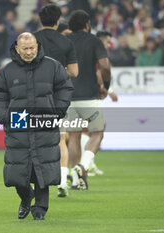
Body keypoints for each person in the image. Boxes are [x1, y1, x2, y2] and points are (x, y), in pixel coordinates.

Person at [0, 32, 73, 220]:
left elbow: (65, 88)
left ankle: (40, 209)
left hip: (45, 120)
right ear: (17, 49)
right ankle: (26, 196)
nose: (29, 52)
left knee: (43, 167)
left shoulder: (53, 66)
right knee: (17, 170)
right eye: (25, 49)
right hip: (18, 123)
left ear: (38, 46)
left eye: (32, 48)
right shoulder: (7, 71)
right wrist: (5, 117)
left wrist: (57, 112)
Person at [34, 4, 78, 198]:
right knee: (60, 139)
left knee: (35, 140)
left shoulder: (31, 40)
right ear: (58, 20)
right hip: (58, 96)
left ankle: (37, 183)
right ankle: (62, 180)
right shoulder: (66, 42)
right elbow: (74, 72)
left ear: (40, 19)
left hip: (34, 95)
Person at [66, 10, 111, 190]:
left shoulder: (65, 42)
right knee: (97, 133)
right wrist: (106, 84)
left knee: (74, 136)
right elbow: (105, 65)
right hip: (90, 97)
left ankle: (76, 181)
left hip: (69, 96)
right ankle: (83, 165)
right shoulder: (94, 41)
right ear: (87, 25)